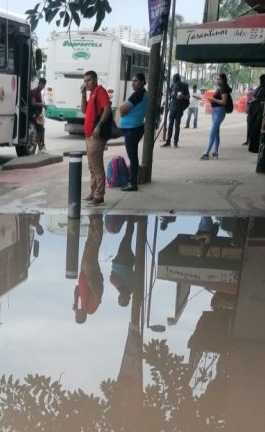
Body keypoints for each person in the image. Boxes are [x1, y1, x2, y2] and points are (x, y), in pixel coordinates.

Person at [80, 70, 111, 206]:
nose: (86, 83)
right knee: (91, 166)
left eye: (89, 80)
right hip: (88, 135)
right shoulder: (91, 93)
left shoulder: (100, 92)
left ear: (95, 80)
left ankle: (99, 196)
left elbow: (107, 108)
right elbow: (84, 110)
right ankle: (93, 193)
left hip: (95, 135)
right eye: (85, 81)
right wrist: (83, 94)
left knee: (97, 166)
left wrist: (99, 126)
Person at [117, 73, 148, 192]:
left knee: (133, 157)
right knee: (133, 157)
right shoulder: (143, 93)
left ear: (142, 82)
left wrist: (122, 110)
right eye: (132, 81)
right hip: (135, 127)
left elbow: (122, 109)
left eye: (135, 81)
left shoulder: (138, 94)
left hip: (132, 129)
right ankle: (132, 182)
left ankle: (132, 183)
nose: (133, 83)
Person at [73, 215, 105, 323]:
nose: (76, 314)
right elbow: (97, 296)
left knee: (89, 245)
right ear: (83, 317)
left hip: (84, 272)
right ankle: (97, 221)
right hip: (90, 273)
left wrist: (75, 303)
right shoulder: (90, 309)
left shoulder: (82, 304)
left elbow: (77, 289)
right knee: (93, 246)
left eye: (75, 316)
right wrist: (91, 282)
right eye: (78, 316)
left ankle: (94, 221)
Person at [201, 73, 232, 160]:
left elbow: (224, 102)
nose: (217, 80)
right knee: (216, 132)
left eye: (219, 79)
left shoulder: (224, 89)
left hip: (219, 111)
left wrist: (213, 99)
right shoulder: (220, 88)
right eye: (217, 79)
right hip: (215, 111)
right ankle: (215, 152)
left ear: (223, 80)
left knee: (212, 132)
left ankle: (206, 153)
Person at [110, 217, 136, 307]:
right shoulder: (125, 289)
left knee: (128, 236)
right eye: (121, 299)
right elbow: (112, 279)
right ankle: (131, 218)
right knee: (128, 236)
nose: (120, 297)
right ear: (127, 299)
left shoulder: (131, 289)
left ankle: (131, 220)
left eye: (119, 299)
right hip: (122, 261)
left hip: (127, 262)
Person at [162, 73, 189, 148]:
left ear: (179, 79)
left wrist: (182, 96)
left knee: (177, 125)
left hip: (179, 108)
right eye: (174, 81)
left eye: (177, 81)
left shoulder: (184, 85)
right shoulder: (172, 85)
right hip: (172, 108)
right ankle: (168, 141)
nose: (176, 82)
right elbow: (170, 94)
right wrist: (172, 94)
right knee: (170, 124)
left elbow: (188, 97)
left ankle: (175, 142)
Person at [245, 74, 265, 150]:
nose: (261, 81)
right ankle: (248, 140)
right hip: (253, 109)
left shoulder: (264, 88)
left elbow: (261, 99)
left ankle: (252, 143)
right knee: (250, 124)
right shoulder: (259, 88)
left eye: (262, 80)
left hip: (258, 110)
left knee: (255, 128)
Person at [29, 78, 47, 151]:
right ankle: (42, 146)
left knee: (39, 131)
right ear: (38, 83)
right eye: (41, 84)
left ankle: (40, 147)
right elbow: (33, 103)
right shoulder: (35, 91)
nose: (42, 86)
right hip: (34, 114)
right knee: (41, 129)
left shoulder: (39, 92)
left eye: (43, 85)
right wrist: (42, 105)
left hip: (38, 115)